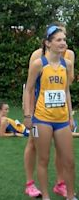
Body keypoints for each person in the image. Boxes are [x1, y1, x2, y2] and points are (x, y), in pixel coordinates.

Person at [23, 25, 76, 200]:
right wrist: (27, 115)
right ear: (48, 43)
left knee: (69, 161)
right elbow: (28, 90)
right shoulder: (39, 64)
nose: (63, 43)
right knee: (43, 159)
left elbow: (66, 90)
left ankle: (70, 195)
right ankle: (45, 196)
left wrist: (70, 116)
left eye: (64, 40)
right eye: (59, 40)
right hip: (42, 120)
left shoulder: (67, 64)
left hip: (61, 120)